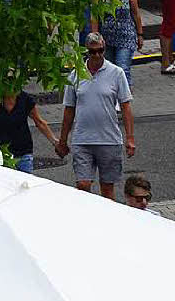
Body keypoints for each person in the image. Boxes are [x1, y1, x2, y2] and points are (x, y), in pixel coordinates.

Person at [57, 32, 135, 200]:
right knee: (83, 185)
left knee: (107, 191)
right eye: (93, 51)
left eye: (101, 50)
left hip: (109, 140)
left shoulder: (117, 73)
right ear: (87, 52)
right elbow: (69, 110)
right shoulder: (76, 74)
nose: (97, 55)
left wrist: (130, 138)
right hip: (82, 140)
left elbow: (126, 106)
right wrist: (63, 141)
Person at [0, 91, 59, 173]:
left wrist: (55, 142)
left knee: (25, 183)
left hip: (23, 152)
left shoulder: (25, 99)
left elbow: (39, 122)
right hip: (0, 153)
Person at [95, 0, 143, 90]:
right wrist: (96, 37)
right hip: (107, 37)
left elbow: (136, 13)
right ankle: (112, 94)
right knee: (109, 68)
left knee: (123, 67)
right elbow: (94, 17)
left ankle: (124, 96)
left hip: (126, 36)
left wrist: (140, 34)